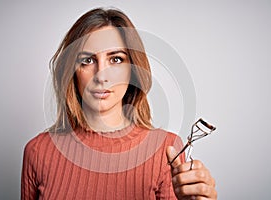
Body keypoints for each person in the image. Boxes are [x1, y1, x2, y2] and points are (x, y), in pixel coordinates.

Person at [21, 7, 217, 200]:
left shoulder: (166, 149)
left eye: (115, 59)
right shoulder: (38, 151)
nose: (101, 76)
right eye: (87, 60)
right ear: (72, 71)